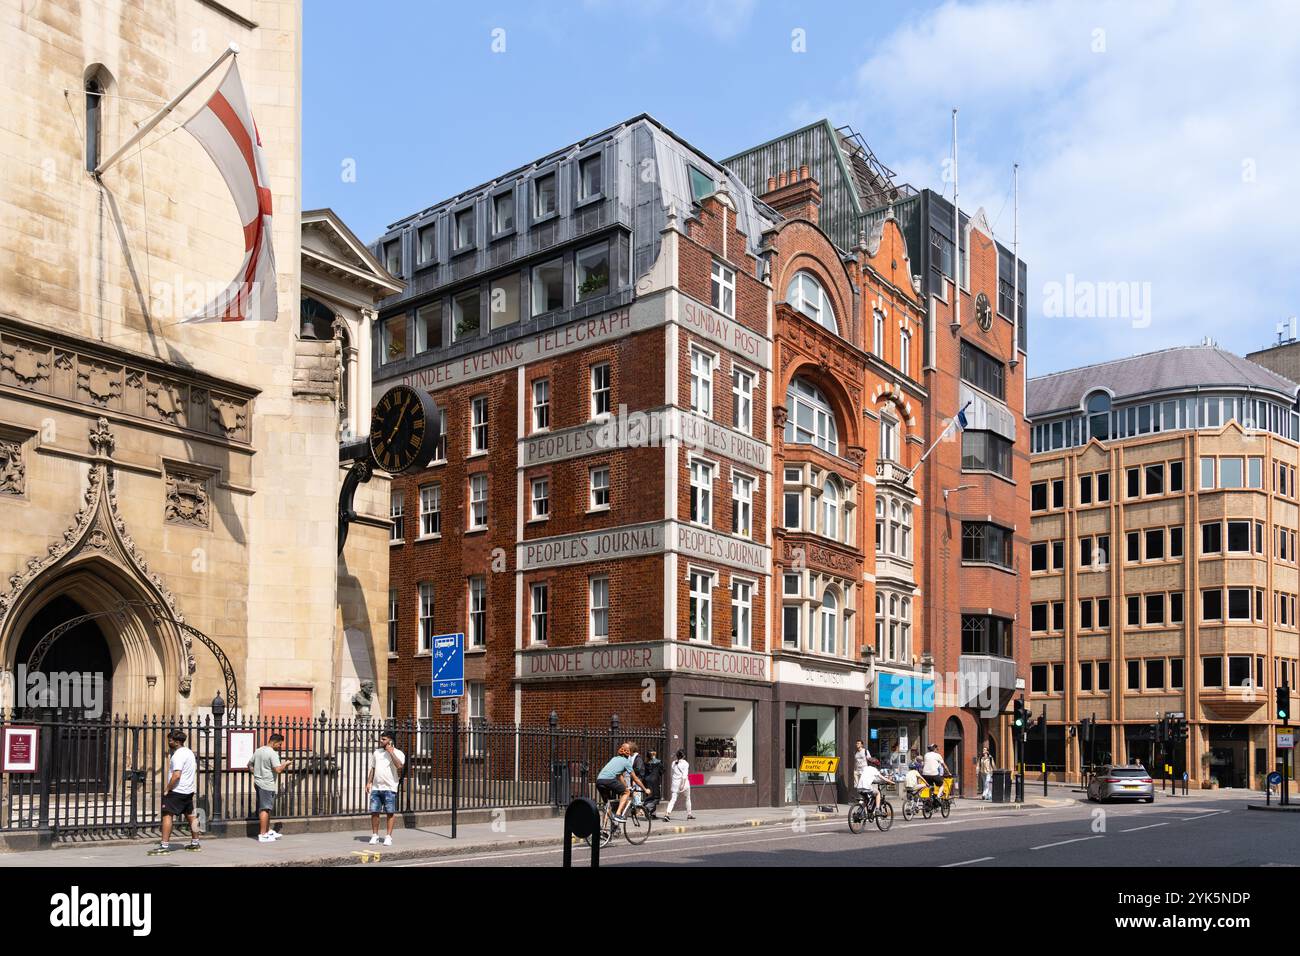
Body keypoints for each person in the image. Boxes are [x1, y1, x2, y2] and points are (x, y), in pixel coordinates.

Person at [155, 730, 201, 853]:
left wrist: (167, 789)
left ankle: (164, 845)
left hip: (177, 790)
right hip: (188, 790)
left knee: (167, 815)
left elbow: (176, 775)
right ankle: (195, 843)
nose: (168, 742)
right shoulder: (190, 752)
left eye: (170, 740)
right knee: (191, 816)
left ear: (177, 742)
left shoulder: (178, 755)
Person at [248, 732, 291, 842]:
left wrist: (256, 774)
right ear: (274, 742)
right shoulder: (272, 753)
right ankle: (263, 834)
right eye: (279, 744)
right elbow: (278, 770)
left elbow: (249, 764)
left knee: (266, 808)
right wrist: (285, 764)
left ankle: (267, 831)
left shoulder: (258, 750)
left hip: (258, 782)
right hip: (267, 784)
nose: (280, 747)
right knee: (265, 809)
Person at [365, 730, 405, 846]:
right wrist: (368, 782)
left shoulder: (398, 753)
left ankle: (388, 837)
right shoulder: (376, 753)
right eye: (381, 738)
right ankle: (375, 835)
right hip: (376, 787)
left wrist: (391, 753)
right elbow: (373, 768)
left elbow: (399, 766)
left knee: (390, 812)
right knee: (374, 812)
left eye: (383, 739)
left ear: (390, 741)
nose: (380, 741)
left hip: (390, 787)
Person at [595, 741, 646, 823]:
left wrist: (625, 785)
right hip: (609, 780)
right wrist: (645, 789)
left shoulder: (614, 758)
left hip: (599, 781)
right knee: (626, 792)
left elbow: (619, 776)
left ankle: (604, 829)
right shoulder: (626, 762)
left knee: (608, 804)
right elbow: (636, 779)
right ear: (629, 753)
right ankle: (618, 814)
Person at [662, 749, 694, 821]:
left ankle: (667, 814)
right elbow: (684, 775)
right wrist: (682, 784)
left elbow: (672, 773)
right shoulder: (685, 763)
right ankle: (689, 814)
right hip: (684, 784)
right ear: (684, 756)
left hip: (675, 783)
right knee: (687, 798)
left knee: (673, 800)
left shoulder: (673, 763)